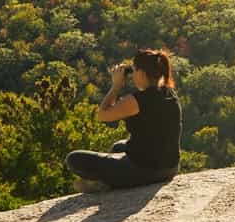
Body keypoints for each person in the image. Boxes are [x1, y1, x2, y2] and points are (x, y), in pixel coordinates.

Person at [65, 49, 182, 192]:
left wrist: (116, 86)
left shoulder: (138, 100)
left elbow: (102, 115)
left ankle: (108, 183)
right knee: (118, 147)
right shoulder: (169, 93)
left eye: (134, 70)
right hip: (170, 167)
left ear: (141, 73)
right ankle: (114, 179)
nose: (132, 76)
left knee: (74, 158)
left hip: (147, 170)